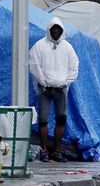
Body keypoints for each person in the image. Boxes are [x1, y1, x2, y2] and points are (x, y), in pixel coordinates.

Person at [29, 17, 79, 163]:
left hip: (61, 89)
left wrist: (65, 82)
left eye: (58, 29)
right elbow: (34, 64)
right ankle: (44, 150)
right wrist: (43, 82)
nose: (56, 31)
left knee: (61, 119)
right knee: (43, 120)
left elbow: (74, 66)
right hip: (44, 89)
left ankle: (57, 150)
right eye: (53, 29)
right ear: (49, 30)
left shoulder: (67, 47)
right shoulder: (40, 46)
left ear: (62, 30)